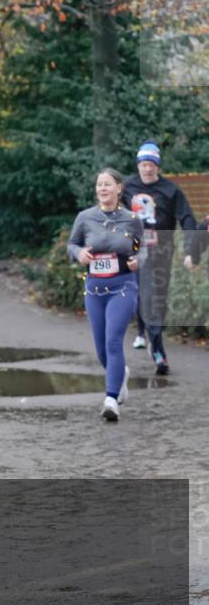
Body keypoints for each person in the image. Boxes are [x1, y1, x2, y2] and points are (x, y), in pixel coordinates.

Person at [68, 168, 145, 421]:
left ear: (119, 188)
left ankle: (111, 398)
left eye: (108, 184)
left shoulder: (131, 220)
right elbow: (73, 244)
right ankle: (119, 375)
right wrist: (78, 254)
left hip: (122, 286)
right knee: (101, 348)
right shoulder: (85, 218)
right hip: (94, 288)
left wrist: (137, 260)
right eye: (99, 184)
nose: (103, 188)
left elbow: (139, 247)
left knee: (113, 341)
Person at [121, 141, 198, 374]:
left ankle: (148, 333)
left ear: (158, 166)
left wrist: (189, 251)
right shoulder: (127, 187)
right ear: (138, 165)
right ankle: (158, 352)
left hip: (162, 250)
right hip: (136, 247)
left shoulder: (171, 191)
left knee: (158, 300)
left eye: (151, 165)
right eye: (143, 164)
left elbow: (188, 220)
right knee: (147, 296)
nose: (147, 169)